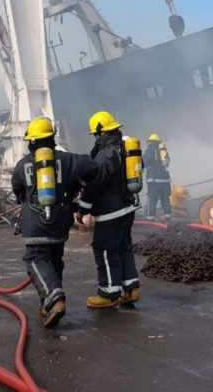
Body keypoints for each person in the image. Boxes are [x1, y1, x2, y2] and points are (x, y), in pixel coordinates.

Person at [11, 116, 98, 329]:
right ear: (52, 137)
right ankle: (48, 304)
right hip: (61, 219)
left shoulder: (23, 165)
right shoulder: (69, 160)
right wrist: (75, 188)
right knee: (54, 258)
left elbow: (18, 191)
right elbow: (92, 167)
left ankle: (53, 296)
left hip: (34, 221)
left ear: (32, 142)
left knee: (35, 258)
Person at [77, 110, 141, 308]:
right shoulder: (125, 149)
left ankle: (109, 293)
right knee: (123, 247)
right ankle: (130, 289)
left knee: (104, 249)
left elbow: (96, 185)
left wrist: (82, 208)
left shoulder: (105, 154)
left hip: (110, 211)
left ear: (100, 133)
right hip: (128, 207)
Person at [143, 133, 172, 221]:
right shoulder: (163, 150)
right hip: (165, 180)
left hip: (154, 180)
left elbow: (143, 162)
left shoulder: (149, 150)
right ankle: (168, 216)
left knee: (152, 198)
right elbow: (167, 162)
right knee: (165, 198)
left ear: (150, 142)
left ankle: (150, 217)